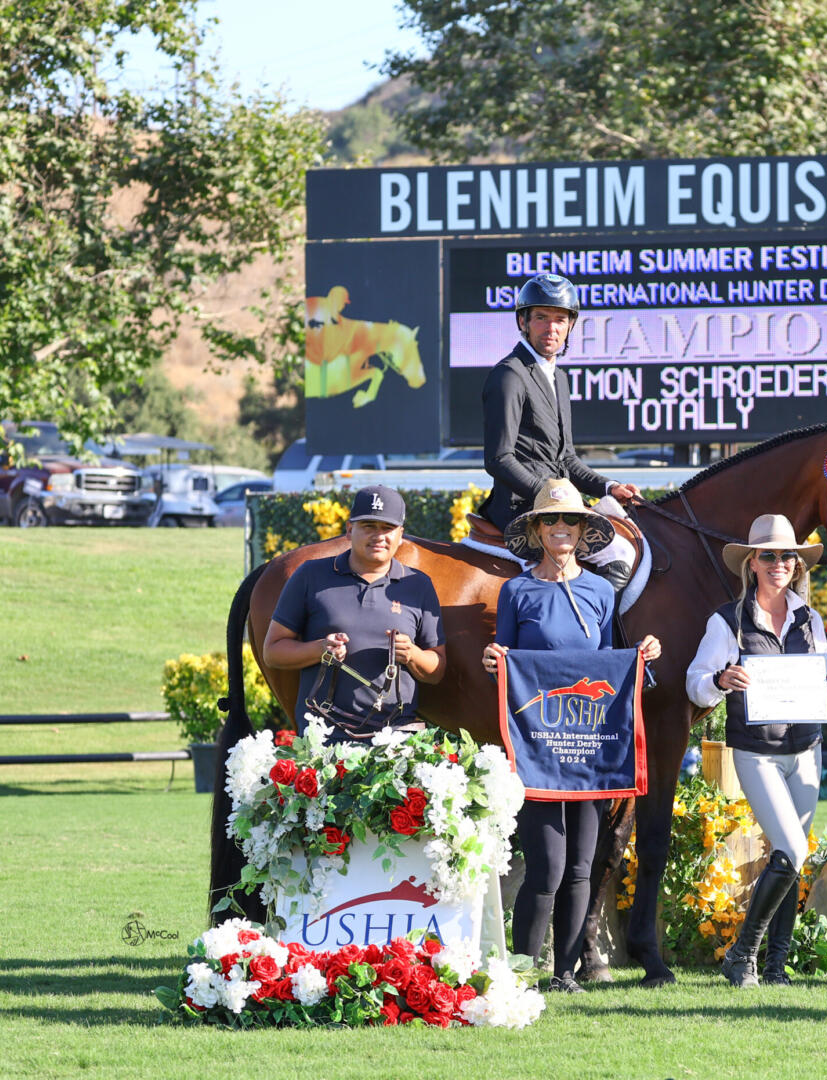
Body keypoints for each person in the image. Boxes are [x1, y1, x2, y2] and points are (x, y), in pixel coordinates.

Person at [481, 479, 661, 993]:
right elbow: (506, 665)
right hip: (539, 747)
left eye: (571, 521)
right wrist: (494, 659)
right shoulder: (517, 591)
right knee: (547, 865)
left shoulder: (602, 590)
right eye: (551, 521)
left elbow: (602, 665)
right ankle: (520, 972)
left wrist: (642, 655)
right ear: (537, 530)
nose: (561, 528)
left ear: (584, 531)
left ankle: (564, 974)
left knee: (582, 866)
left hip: (587, 745)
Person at [686, 514, 827, 988]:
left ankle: (774, 966)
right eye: (769, 555)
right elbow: (695, 684)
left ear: (797, 564)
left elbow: (821, 690)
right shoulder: (727, 620)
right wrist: (719, 680)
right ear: (752, 563)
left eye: (787, 555)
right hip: (755, 751)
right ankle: (743, 954)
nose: (779, 563)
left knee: (789, 855)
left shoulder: (809, 618)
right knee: (792, 847)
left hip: (807, 750)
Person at [263, 485, 445, 741]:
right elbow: (272, 652)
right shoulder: (309, 576)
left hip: (395, 739)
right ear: (350, 530)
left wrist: (412, 654)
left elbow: (437, 670)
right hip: (324, 737)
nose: (379, 536)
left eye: (387, 528)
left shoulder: (419, 585)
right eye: (369, 526)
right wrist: (319, 649)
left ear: (401, 535)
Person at [479, 273, 642, 533]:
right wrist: (551, 497)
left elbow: (566, 459)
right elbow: (499, 459)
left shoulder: (560, 378)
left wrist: (608, 487)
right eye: (541, 318)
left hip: (558, 505)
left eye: (560, 319)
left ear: (570, 326)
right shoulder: (509, 374)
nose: (551, 328)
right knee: (617, 551)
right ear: (523, 321)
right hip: (521, 508)